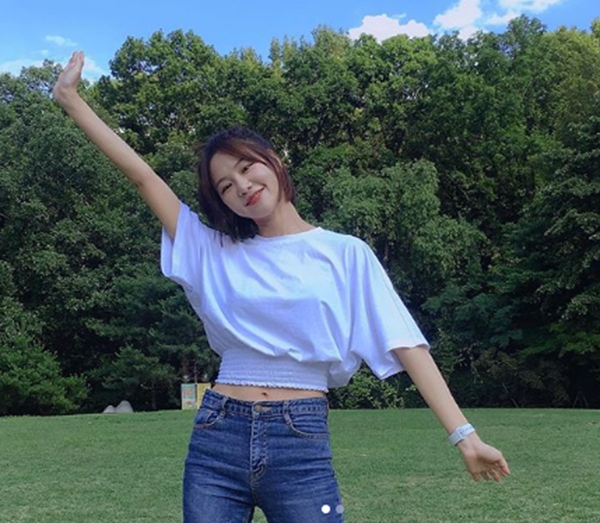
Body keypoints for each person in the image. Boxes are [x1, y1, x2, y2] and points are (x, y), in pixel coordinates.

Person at [54, 51, 510, 523]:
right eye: (225, 186)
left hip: (301, 440)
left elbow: (406, 343)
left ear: (272, 160)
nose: (241, 186)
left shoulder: (345, 253)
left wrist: (465, 437)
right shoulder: (214, 250)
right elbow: (143, 176)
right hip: (217, 435)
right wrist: (71, 100)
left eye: (246, 167)